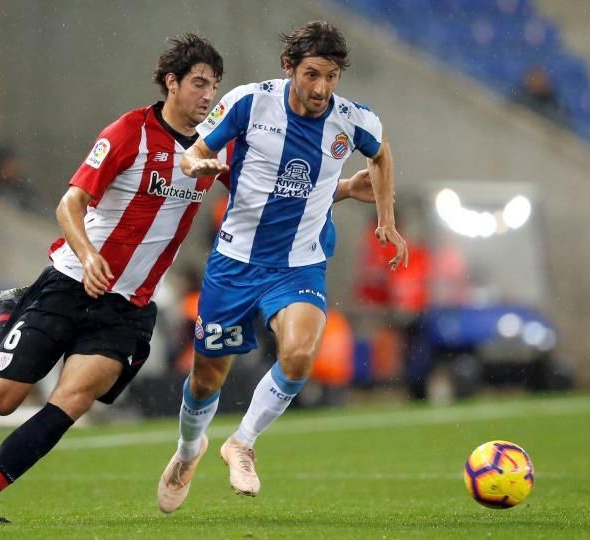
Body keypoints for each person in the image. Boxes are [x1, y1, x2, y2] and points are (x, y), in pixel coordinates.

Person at [0, 32, 383, 525]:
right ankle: (6, 311)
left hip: (127, 306)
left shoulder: (213, 152)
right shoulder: (127, 132)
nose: (207, 97)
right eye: (198, 84)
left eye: (213, 87)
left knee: (73, 400)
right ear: (171, 84)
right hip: (71, 282)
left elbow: (272, 195)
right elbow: (71, 203)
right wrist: (87, 256)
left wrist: (345, 188)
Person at [156, 21, 408, 514]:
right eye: (313, 74)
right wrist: (199, 166)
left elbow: (381, 155)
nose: (321, 89)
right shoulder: (251, 103)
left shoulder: (352, 119)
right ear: (289, 67)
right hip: (235, 263)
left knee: (298, 354)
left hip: (301, 265)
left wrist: (386, 220)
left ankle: (243, 443)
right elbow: (192, 156)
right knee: (208, 378)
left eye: (332, 77)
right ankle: (189, 451)